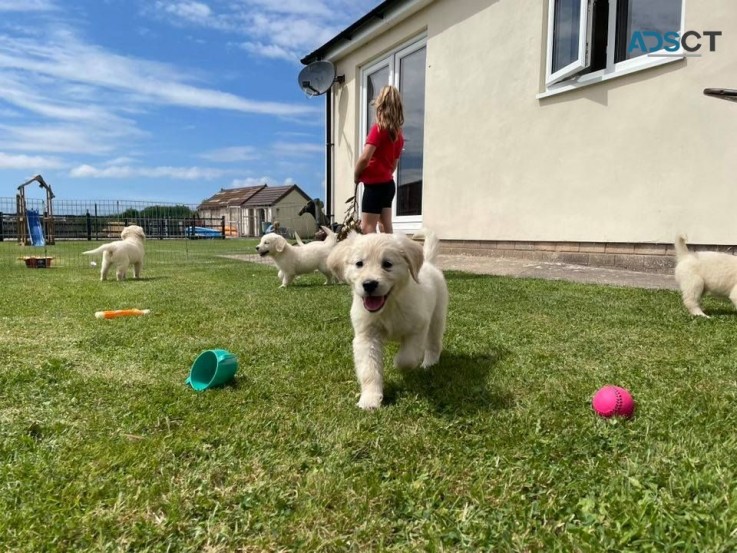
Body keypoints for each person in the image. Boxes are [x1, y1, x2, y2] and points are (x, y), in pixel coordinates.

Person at [353, 85, 404, 234]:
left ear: (380, 106)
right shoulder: (398, 136)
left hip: (374, 187)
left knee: (367, 227)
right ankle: (392, 255)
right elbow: (393, 166)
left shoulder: (378, 129)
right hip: (388, 185)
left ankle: (372, 257)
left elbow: (364, 158)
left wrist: (356, 175)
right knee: (385, 225)